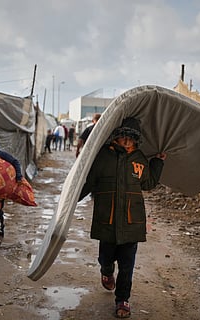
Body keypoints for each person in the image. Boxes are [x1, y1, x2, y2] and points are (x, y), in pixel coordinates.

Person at [78, 117, 166, 318]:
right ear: (116, 137)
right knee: (105, 258)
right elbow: (89, 182)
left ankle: (122, 300)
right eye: (123, 136)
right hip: (106, 219)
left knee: (127, 265)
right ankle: (107, 272)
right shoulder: (102, 156)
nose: (126, 141)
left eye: (131, 138)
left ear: (136, 140)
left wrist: (158, 163)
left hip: (131, 222)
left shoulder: (139, 158)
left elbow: (148, 183)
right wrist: (71, 201)